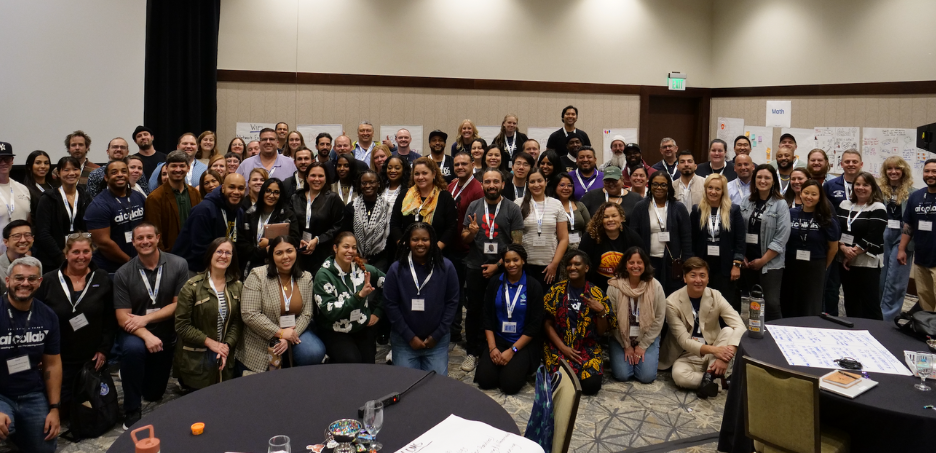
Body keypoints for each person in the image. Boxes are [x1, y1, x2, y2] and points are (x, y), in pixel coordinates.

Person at [114, 223, 190, 428]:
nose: (145, 241)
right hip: (135, 332)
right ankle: (131, 409)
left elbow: (178, 305)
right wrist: (146, 334)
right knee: (133, 350)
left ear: (158, 238)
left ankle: (133, 371)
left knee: (154, 394)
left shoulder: (179, 264)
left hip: (163, 329)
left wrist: (145, 319)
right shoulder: (123, 273)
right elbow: (122, 317)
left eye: (149, 237)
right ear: (133, 242)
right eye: (140, 238)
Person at [36, 234, 113, 418]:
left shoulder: (102, 278)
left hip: (91, 358)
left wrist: (104, 349)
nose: (81, 256)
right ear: (66, 254)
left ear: (92, 253)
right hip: (58, 358)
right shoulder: (48, 280)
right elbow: (37, 319)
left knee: (91, 412)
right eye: (76, 251)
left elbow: (110, 319)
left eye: (86, 251)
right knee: (63, 411)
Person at [460, 168, 524, 372]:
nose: (492, 185)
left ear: (503, 184)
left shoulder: (512, 209)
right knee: (474, 311)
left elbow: (516, 245)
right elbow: (464, 238)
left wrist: (497, 266)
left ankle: (494, 348)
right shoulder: (474, 205)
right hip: (475, 266)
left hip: (503, 270)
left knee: (499, 310)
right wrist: (471, 233)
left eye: (496, 181)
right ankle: (472, 352)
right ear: (482, 184)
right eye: (487, 182)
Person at [236, 235, 326, 374]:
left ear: (296, 251)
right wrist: (281, 333)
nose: (285, 256)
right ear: (272, 256)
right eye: (279, 253)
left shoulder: (306, 277)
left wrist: (290, 336)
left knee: (313, 352)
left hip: (293, 330)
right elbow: (249, 314)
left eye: (289, 251)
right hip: (261, 334)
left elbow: (307, 313)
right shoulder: (257, 275)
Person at [658, 257, 744, 399]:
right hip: (686, 355)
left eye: (702, 275)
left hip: (714, 351)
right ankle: (717, 379)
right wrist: (717, 351)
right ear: (684, 278)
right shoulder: (671, 303)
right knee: (679, 376)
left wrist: (725, 356)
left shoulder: (715, 295)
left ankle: (711, 375)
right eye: (693, 275)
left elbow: (739, 324)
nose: (698, 280)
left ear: (708, 279)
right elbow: (684, 341)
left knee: (728, 331)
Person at [0, 257, 61, 453]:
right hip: (1, 394)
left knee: (45, 446)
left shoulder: (48, 316)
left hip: (32, 393)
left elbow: (52, 364)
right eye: (19, 278)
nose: (25, 283)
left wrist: (54, 408)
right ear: (8, 280)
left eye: (32, 279)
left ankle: (19, 434)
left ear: (39, 282)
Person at [382, 223, 460, 374]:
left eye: (425, 239)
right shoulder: (396, 269)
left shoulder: (446, 267)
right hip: (404, 340)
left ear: (432, 241)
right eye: (415, 239)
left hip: (437, 341)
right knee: (406, 386)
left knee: (436, 387)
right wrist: (409, 337)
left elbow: (452, 303)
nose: (420, 243)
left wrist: (437, 335)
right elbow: (390, 305)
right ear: (407, 242)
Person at [174, 238, 242, 389]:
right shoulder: (192, 287)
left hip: (224, 358)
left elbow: (237, 322)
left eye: (228, 252)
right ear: (210, 255)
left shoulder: (237, 286)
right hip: (197, 361)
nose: (223, 256)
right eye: (219, 251)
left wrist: (225, 346)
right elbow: (182, 326)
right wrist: (212, 344)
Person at [542, 249, 613, 395]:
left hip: (587, 348)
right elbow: (547, 323)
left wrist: (601, 312)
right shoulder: (556, 291)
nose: (572, 267)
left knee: (591, 387)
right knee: (557, 383)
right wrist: (563, 347)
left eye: (577, 264)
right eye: (569, 264)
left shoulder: (597, 293)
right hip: (560, 347)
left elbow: (601, 331)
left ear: (586, 268)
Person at [476, 244, 544, 395]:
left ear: (523, 261)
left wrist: (512, 351)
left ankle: (517, 366)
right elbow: (487, 316)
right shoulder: (495, 283)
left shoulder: (533, 286)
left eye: (516, 260)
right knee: (485, 381)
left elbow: (534, 325)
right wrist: (492, 348)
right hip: (498, 339)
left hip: (520, 343)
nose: (511, 264)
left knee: (510, 386)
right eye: (507, 261)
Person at [314, 232, 386, 363]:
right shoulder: (323, 275)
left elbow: (390, 286)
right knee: (352, 361)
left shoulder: (363, 270)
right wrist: (359, 296)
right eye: (346, 247)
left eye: (354, 247)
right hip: (334, 330)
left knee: (368, 364)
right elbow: (331, 311)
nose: (350, 251)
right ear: (335, 248)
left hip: (361, 326)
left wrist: (378, 312)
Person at [606, 246, 666, 384]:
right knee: (622, 375)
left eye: (639, 262)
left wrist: (642, 346)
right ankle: (626, 358)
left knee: (646, 377)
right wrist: (626, 345)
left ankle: (639, 359)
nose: (635, 266)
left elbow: (659, 319)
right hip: (620, 338)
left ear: (645, 264)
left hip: (646, 337)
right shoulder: (614, 286)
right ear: (625, 265)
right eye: (631, 262)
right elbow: (612, 320)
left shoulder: (655, 286)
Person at [781, 180, 840, 318]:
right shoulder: (790, 213)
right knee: (789, 300)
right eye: (806, 193)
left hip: (815, 265)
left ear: (820, 197)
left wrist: (823, 266)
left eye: (814, 194)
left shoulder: (827, 218)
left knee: (810, 303)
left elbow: (833, 248)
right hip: (791, 264)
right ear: (800, 194)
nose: (809, 197)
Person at [739, 164, 790, 321]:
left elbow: (782, 236)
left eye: (767, 177)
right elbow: (739, 230)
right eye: (759, 177)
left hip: (770, 263)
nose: (763, 180)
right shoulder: (746, 202)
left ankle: (776, 335)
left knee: (771, 303)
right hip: (748, 262)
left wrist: (763, 260)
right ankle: (756, 335)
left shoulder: (780, 204)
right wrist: (742, 256)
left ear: (773, 181)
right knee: (753, 302)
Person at [630, 172, 694, 295]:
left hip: (672, 262)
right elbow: (634, 236)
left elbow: (686, 237)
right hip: (647, 260)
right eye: (655, 184)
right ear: (650, 185)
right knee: (648, 294)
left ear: (669, 187)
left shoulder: (678, 207)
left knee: (670, 294)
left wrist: (686, 261)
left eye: (663, 185)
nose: (659, 188)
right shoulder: (640, 207)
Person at [690, 174, 746, 311]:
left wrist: (736, 265)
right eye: (710, 188)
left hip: (726, 265)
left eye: (717, 189)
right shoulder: (697, 210)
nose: (713, 192)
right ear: (705, 189)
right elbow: (691, 239)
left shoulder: (733, 210)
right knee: (704, 302)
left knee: (725, 303)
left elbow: (740, 240)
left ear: (723, 191)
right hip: (703, 263)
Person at [835, 171, 886, 320]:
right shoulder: (845, 204)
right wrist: (843, 248)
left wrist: (853, 252)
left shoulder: (877, 207)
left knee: (870, 304)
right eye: (857, 184)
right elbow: (838, 229)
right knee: (851, 301)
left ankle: (877, 334)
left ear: (872, 188)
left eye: (865, 184)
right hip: (845, 259)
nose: (860, 187)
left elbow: (874, 235)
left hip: (867, 261)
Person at [173, 173, 246, 275]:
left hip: (221, 267)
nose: (236, 192)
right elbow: (199, 249)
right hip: (194, 268)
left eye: (241, 188)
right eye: (232, 187)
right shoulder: (203, 210)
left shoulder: (239, 211)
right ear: (223, 188)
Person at [446, 152, 483, 342]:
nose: (460, 167)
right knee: (453, 291)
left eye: (464, 164)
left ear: (472, 165)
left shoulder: (477, 189)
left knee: (466, 295)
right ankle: (453, 330)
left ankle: (467, 334)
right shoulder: (451, 185)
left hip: (468, 250)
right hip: (450, 247)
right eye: (457, 164)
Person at [84, 160, 146, 273]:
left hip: (140, 263)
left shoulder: (138, 197)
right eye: (114, 172)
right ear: (106, 178)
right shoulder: (98, 205)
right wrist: (131, 262)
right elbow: (103, 243)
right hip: (111, 269)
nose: (120, 175)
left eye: (123, 171)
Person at [822, 149, 863, 316]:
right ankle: (831, 319)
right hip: (836, 244)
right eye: (847, 161)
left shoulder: (868, 184)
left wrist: (855, 248)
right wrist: (841, 245)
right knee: (832, 288)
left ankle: (857, 322)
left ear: (861, 164)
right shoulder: (830, 186)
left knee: (856, 290)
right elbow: (825, 215)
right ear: (841, 164)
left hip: (860, 247)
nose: (851, 164)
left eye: (854, 161)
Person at [515, 168, 569, 292]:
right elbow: (515, 238)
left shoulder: (556, 204)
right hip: (525, 265)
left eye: (539, 181)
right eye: (532, 182)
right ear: (527, 184)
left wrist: (554, 264)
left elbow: (564, 238)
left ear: (545, 181)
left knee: (547, 304)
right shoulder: (518, 204)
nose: (536, 185)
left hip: (549, 265)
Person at [35, 156, 91, 271]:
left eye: (75, 169)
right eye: (66, 170)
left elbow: (91, 227)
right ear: (58, 173)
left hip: (81, 258)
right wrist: (61, 258)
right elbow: (43, 233)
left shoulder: (86, 196)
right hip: (53, 261)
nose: (71, 173)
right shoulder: (48, 198)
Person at [390, 157, 458, 250]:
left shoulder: (445, 197)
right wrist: (404, 246)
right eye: (417, 174)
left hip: (437, 252)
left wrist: (436, 250)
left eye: (424, 173)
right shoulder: (404, 195)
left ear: (434, 174)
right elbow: (394, 224)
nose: (420, 177)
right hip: (407, 252)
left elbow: (451, 228)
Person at [878, 156, 916, 321]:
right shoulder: (879, 191)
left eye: (897, 168)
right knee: (880, 276)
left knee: (896, 279)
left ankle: (889, 318)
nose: (893, 172)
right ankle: (877, 313)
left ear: (903, 171)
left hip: (904, 237)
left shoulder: (913, 193)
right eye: (889, 169)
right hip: (883, 234)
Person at [144, 151, 203, 252]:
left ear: (188, 168)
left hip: (193, 251)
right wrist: (162, 255)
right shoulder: (155, 198)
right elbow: (154, 231)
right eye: (174, 166)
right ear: (166, 168)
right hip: (170, 254)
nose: (178, 170)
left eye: (182, 166)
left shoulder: (195, 193)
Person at [578, 202, 643, 292]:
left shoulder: (633, 238)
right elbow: (582, 263)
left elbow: (642, 264)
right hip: (596, 288)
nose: (610, 219)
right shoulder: (590, 237)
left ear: (621, 218)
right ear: (600, 219)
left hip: (625, 287)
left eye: (614, 216)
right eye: (606, 217)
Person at [291, 162, 344, 273]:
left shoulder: (333, 199)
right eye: (313, 175)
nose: (317, 179)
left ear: (326, 178)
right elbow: (290, 222)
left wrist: (317, 240)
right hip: (299, 251)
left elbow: (338, 225)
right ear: (306, 177)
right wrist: (298, 240)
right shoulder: (296, 197)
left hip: (324, 252)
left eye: (321, 176)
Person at [238, 178, 300, 274]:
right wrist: (263, 252)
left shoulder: (287, 215)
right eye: (268, 191)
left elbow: (295, 240)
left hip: (279, 266)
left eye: (276, 192)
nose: (272, 195)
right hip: (252, 264)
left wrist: (270, 243)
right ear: (262, 192)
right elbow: (242, 245)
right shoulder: (249, 214)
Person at [899, 159, 936, 312]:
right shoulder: (916, 196)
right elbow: (909, 225)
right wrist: (902, 249)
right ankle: (928, 331)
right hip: (921, 258)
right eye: (927, 171)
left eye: (934, 171)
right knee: (925, 299)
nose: (930, 175)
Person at [341, 171, 391, 270]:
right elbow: (345, 234)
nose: (368, 186)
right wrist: (356, 255)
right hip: (354, 258)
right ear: (360, 185)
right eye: (364, 183)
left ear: (378, 184)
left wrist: (371, 260)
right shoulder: (351, 208)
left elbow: (388, 238)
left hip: (380, 260)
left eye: (372, 182)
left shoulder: (387, 208)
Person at [0, 143, 32, 245]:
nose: (3, 163)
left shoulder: (23, 189)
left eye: (7, 159)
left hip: (21, 252)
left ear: (12, 161)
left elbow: (28, 220)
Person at [554, 172, 591, 249]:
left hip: (581, 247)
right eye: (562, 185)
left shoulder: (580, 205)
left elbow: (589, 228)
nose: (566, 188)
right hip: (558, 249)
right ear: (555, 187)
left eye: (569, 185)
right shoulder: (551, 206)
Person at [23, 150, 54, 220]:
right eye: (38, 163)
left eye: (46, 163)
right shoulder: (25, 190)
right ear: (29, 166)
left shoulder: (54, 186)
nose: (43, 166)